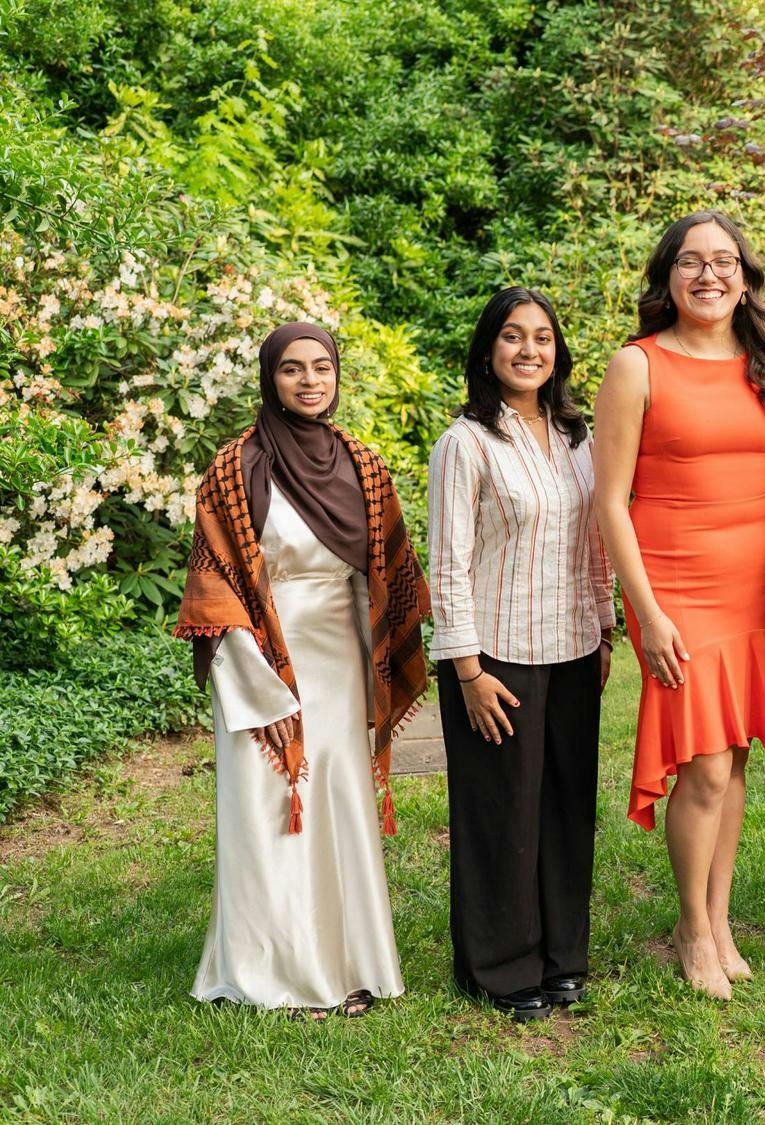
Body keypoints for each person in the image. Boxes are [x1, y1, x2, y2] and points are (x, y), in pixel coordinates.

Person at [175, 322, 430, 1018]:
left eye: (322, 366)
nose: (310, 380)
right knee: (270, 808)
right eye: (292, 369)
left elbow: (385, 573)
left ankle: (349, 964)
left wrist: (380, 663)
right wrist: (260, 684)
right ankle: (273, 975)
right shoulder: (234, 468)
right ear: (270, 378)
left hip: (340, 659)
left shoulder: (363, 465)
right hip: (259, 660)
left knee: (337, 803)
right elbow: (215, 585)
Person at [594, 211, 765, 1001]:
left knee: (736, 755)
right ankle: (689, 926)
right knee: (705, 764)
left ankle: (719, 922)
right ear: (668, 277)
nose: (709, 274)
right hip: (677, 587)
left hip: (755, 584)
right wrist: (646, 611)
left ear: (745, 279)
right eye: (691, 261)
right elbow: (610, 501)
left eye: (724, 261)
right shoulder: (636, 366)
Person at [429, 288, 615, 1022]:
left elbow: (595, 543)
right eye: (512, 336)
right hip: (495, 657)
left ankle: (562, 957)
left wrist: (604, 629)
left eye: (542, 337)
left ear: (557, 351)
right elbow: (448, 564)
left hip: (573, 648)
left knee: (566, 811)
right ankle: (500, 968)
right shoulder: (466, 442)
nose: (529, 349)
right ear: (488, 351)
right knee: (502, 816)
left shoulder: (577, 437)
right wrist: (467, 671)